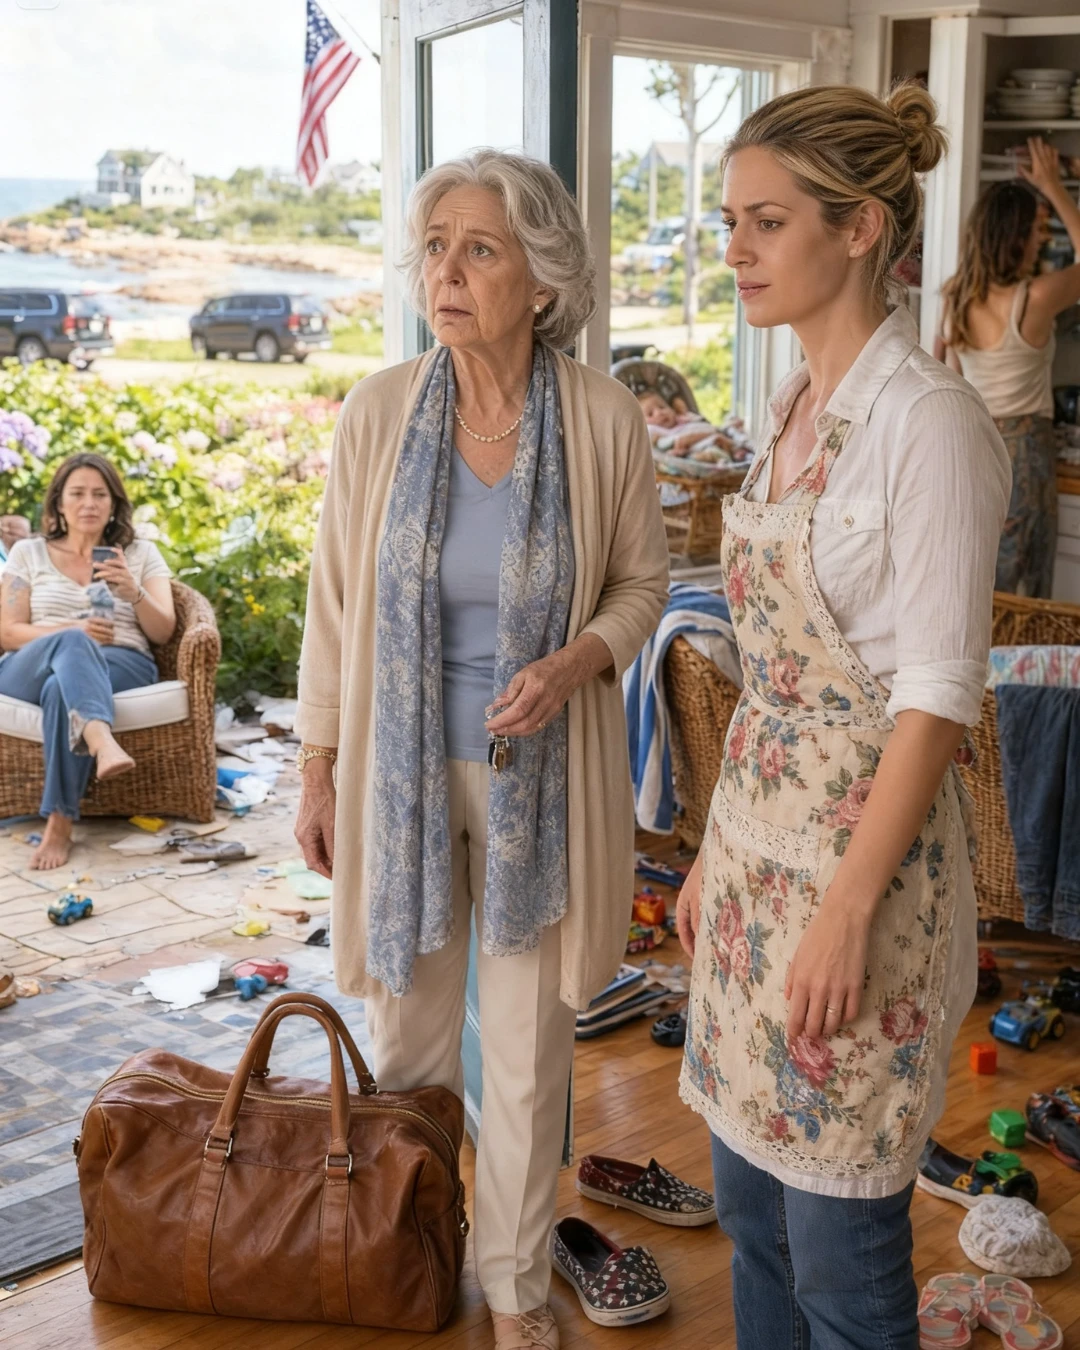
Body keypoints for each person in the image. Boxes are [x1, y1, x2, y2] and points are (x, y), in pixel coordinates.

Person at [293, 149, 668, 1350]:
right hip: (395, 780)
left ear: (542, 279)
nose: (444, 274)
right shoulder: (379, 412)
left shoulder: (602, 419)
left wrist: (574, 663)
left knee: (524, 1053)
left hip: (538, 786)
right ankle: (408, 1263)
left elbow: (644, 587)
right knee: (409, 1048)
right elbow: (333, 608)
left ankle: (513, 1288)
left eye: (479, 250)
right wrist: (316, 765)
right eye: (434, 249)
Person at [675, 82, 1010, 1350]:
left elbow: (938, 696)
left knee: (837, 1256)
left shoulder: (931, 425)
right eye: (730, 223)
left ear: (861, 228)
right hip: (753, 871)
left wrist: (845, 912)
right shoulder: (789, 410)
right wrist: (712, 855)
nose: (737, 250)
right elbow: (775, 680)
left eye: (767, 222)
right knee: (750, 1222)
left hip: (861, 892)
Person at [0, 453, 175, 870]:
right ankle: (101, 741)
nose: (89, 503)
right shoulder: (28, 552)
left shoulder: (140, 553)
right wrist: (69, 631)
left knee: (62, 687)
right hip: (30, 662)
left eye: (100, 494)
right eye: (77, 493)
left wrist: (134, 592)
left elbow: (164, 631)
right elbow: (7, 631)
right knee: (73, 644)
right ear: (59, 503)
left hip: (121, 663)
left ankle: (59, 823)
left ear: (114, 503)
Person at [939, 137, 1080, 598]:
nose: (1044, 238)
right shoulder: (1032, 299)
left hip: (975, 444)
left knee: (982, 575)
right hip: (1026, 450)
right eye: (1037, 229)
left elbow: (949, 382)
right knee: (1027, 586)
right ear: (1015, 236)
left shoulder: (956, 297)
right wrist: (1053, 186)